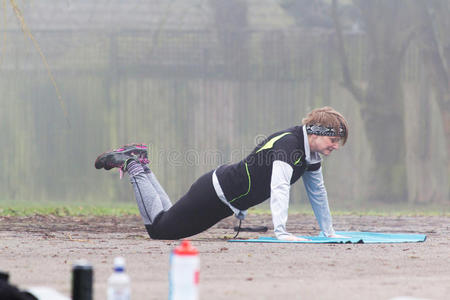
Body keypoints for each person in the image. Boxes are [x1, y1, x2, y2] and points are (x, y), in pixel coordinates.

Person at [95, 106, 349, 241]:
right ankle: (133, 165)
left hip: (222, 201)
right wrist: (281, 232)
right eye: (334, 140)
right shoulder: (288, 144)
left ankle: (139, 162)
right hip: (214, 192)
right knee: (159, 230)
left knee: (165, 221)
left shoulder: (310, 154)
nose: (335, 147)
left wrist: (329, 232)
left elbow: (318, 193)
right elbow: (279, 188)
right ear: (316, 132)